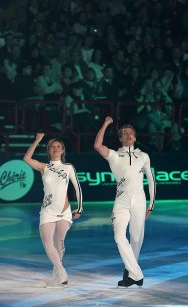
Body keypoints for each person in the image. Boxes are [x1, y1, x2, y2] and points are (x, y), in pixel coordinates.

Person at [94, 117, 156, 288]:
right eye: (124, 133)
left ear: (135, 137)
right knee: (119, 236)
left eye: (131, 133)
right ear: (120, 138)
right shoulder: (114, 155)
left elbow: (151, 180)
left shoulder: (143, 156)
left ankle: (130, 273)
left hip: (139, 200)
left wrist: (151, 204)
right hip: (121, 200)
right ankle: (137, 274)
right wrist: (106, 124)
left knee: (136, 239)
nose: (128, 135)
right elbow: (97, 146)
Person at [23, 133, 83, 288]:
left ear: (62, 150)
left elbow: (77, 187)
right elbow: (26, 159)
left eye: (58, 146)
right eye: (52, 147)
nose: (55, 149)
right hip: (47, 211)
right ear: (49, 151)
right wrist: (37, 140)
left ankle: (57, 275)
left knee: (59, 243)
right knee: (48, 243)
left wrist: (80, 208)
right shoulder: (44, 167)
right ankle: (61, 271)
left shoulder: (68, 167)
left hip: (64, 211)